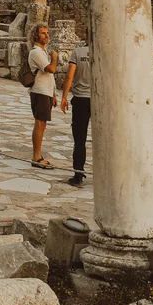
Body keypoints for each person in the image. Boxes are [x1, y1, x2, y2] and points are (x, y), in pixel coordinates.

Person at [60, 29, 92, 187]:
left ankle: (78, 174)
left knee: (79, 139)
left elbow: (70, 76)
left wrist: (64, 96)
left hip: (80, 99)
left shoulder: (78, 52)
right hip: (99, 101)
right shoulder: (106, 53)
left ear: (85, 35)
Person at [27, 24, 59, 169]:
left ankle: (38, 155)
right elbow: (51, 69)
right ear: (36, 35)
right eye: (43, 33)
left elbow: (49, 78)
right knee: (39, 124)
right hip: (39, 92)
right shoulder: (36, 53)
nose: (46, 35)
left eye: (47, 32)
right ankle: (36, 156)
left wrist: (54, 94)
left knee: (43, 124)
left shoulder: (43, 52)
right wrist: (54, 58)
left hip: (46, 92)